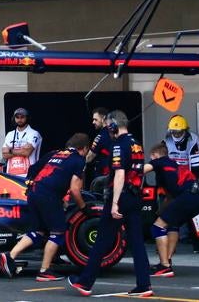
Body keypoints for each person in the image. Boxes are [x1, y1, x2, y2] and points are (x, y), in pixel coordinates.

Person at [69, 110, 152, 298]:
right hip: (135, 196)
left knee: (101, 240)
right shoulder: (136, 144)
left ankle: (85, 282)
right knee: (137, 242)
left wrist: (114, 203)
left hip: (120, 197)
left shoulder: (118, 145)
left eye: (108, 127)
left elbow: (120, 173)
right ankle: (144, 284)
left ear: (114, 126)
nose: (108, 130)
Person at [0, 133, 90, 282]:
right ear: (84, 148)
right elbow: (74, 189)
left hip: (33, 192)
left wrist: (33, 185)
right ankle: (44, 271)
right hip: (48, 196)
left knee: (38, 231)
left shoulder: (55, 153)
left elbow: (33, 169)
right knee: (58, 233)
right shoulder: (78, 160)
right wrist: (83, 208)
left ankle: (8, 257)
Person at [144, 144, 199, 277]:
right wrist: (161, 212)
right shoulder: (174, 164)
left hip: (188, 196)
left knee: (157, 227)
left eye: (151, 156)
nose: (151, 159)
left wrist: (124, 171)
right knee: (172, 224)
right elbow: (170, 197)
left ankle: (164, 266)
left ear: (155, 155)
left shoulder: (159, 161)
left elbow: (142, 170)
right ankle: (167, 261)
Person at [163, 114, 199, 254]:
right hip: (172, 181)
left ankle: (197, 244)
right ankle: (164, 245)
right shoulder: (166, 141)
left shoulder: (193, 140)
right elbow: (163, 164)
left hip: (188, 180)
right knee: (166, 213)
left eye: (179, 132)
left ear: (185, 130)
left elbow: (196, 165)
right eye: (174, 132)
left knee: (193, 212)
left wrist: (196, 182)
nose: (176, 134)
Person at [1, 107, 42, 178]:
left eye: (22, 117)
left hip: (29, 175)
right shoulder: (10, 134)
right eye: (17, 117)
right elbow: (4, 154)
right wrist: (21, 151)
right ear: (14, 119)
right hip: (11, 175)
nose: (19, 119)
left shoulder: (34, 133)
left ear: (27, 118)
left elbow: (26, 152)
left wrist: (10, 150)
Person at [86, 107, 113, 186]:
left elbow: (88, 158)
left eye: (95, 119)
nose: (93, 122)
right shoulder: (117, 133)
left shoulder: (101, 136)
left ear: (104, 118)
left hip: (104, 179)